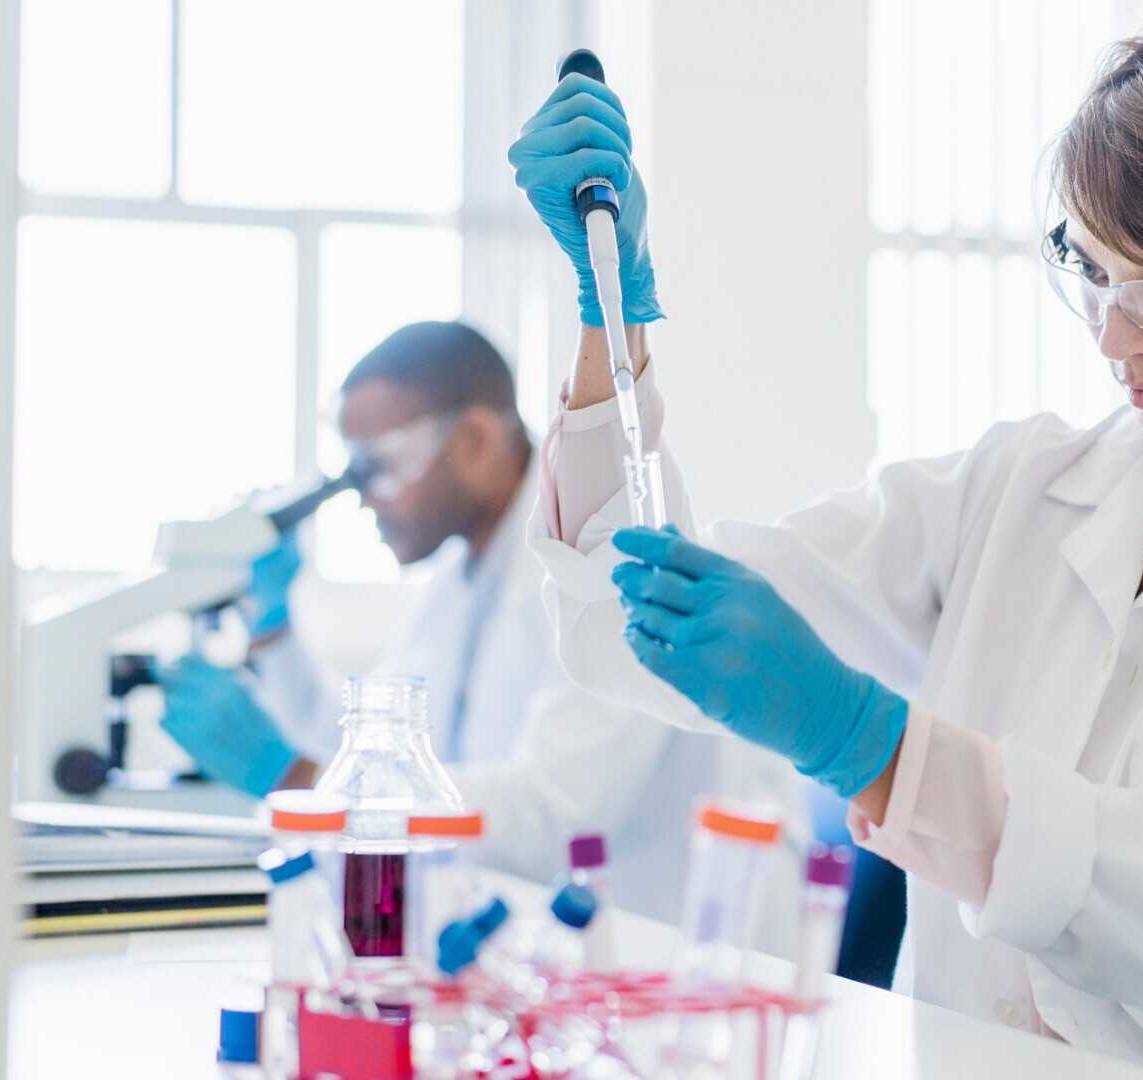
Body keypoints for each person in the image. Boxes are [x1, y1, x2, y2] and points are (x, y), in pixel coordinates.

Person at [511, 9, 1143, 1079]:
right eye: (1091, 270)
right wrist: (609, 318)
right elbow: (627, 620)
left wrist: (873, 746)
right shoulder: (1017, 490)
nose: (1113, 335)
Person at [157, 321, 803, 932]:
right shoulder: (463, 576)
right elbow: (375, 747)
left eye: (378, 467)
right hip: (558, 944)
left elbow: (556, 813)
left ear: (474, 440)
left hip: (684, 955)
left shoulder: (609, 549)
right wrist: (274, 632)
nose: (363, 499)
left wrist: (296, 781)